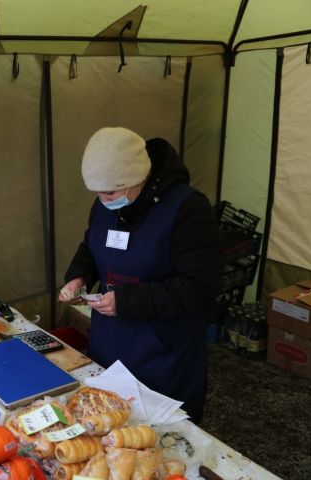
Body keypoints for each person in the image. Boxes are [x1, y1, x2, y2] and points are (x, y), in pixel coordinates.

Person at [59, 127, 222, 423]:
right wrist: (79, 275)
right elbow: (91, 246)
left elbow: (200, 286)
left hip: (163, 349)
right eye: (97, 192)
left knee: (158, 437)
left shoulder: (187, 208)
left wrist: (127, 301)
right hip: (110, 340)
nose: (103, 199)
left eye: (109, 192)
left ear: (138, 178)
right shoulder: (107, 201)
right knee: (109, 422)